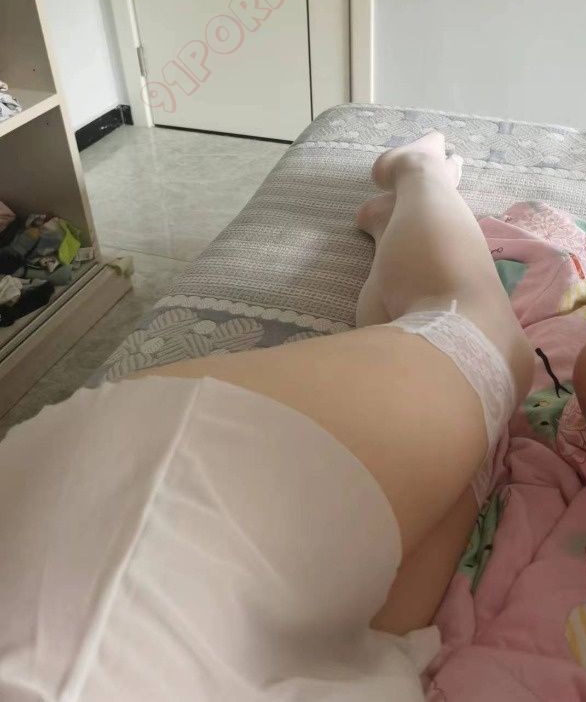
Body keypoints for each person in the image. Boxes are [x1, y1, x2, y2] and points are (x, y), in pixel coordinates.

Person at [0, 132, 534, 701]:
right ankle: (389, 233)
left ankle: (416, 168)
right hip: (219, 644)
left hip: (123, 577)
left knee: (489, 344)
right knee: (475, 453)